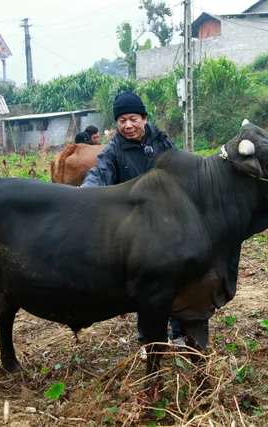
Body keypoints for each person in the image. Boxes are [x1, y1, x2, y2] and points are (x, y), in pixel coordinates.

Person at [80, 91, 184, 354]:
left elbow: (182, 173)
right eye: (122, 120)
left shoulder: (163, 143)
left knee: (175, 280)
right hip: (138, 230)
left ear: (144, 118)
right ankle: (147, 339)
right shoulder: (114, 150)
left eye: (133, 118)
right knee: (146, 285)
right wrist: (82, 195)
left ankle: (179, 333)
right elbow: (99, 173)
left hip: (168, 224)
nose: (128, 125)